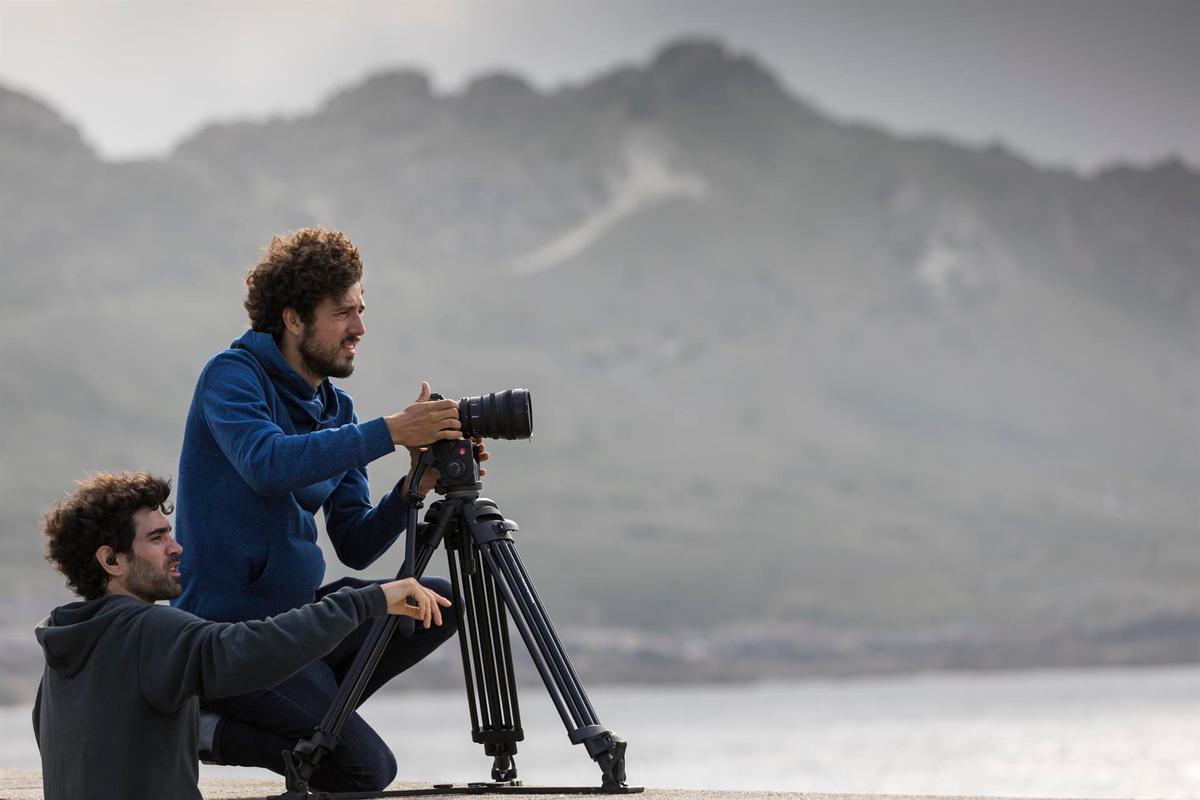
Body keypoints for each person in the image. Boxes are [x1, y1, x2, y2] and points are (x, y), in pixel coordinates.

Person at [173, 227, 483, 791]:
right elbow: (266, 463)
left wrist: (412, 485)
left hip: (297, 622)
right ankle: (212, 729)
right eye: (344, 313)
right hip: (230, 637)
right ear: (293, 319)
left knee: (438, 600)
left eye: (361, 310)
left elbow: (356, 543)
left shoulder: (337, 410)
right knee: (365, 770)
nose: (360, 328)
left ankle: (307, 712)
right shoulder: (231, 376)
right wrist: (389, 431)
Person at [33, 472, 451, 800]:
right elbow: (253, 649)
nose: (177, 548)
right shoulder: (149, 630)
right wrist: (367, 601)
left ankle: (221, 727)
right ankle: (217, 730)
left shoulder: (60, 656)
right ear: (111, 560)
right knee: (363, 768)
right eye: (157, 538)